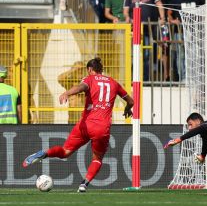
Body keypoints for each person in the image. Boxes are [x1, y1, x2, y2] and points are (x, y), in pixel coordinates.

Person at [23, 58, 134, 192]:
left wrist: (67, 93)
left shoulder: (89, 79)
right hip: (101, 128)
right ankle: (84, 184)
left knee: (65, 152)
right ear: (101, 69)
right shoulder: (114, 83)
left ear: (89, 70)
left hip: (85, 125)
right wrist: (127, 108)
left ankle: (44, 153)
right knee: (97, 158)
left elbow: (81, 87)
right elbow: (131, 101)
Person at [123, 0, 167, 81]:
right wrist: (128, 18)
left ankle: (146, 79)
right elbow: (125, 11)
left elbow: (159, 4)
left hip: (151, 28)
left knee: (150, 53)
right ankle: (138, 77)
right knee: (137, 54)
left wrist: (162, 18)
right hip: (137, 29)